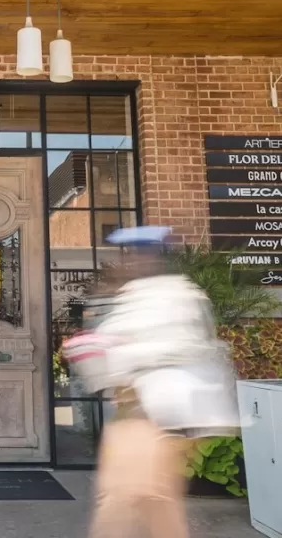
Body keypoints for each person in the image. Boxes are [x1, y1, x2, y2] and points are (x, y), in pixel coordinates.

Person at [87, 226, 240, 538]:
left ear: (147, 257)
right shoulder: (168, 292)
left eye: (131, 255)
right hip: (151, 412)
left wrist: (114, 355)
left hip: (154, 413)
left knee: (124, 497)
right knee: (153, 499)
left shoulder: (166, 297)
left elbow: (165, 349)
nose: (125, 262)